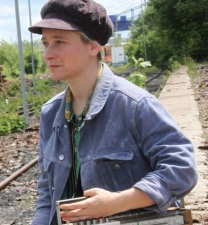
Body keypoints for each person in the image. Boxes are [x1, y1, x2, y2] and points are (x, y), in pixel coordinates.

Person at [28, 0, 199, 224]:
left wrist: (117, 202)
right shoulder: (51, 113)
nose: (48, 53)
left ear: (93, 46)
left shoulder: (134, 105)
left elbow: (182, 168)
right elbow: (48, 193)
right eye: (45, 43)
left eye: (59, 42)